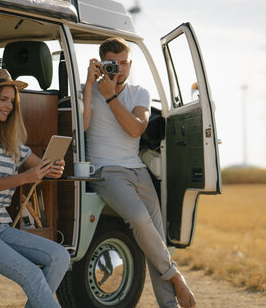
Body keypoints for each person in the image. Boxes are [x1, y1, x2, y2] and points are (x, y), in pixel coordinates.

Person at [82, 38, 197, 308]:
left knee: (155, 237)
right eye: (112, 64)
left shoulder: (139, 92)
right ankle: (176, 277)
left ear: (130, 63)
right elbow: (83, 125)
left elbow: (135, 129)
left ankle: (169, 305)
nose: (119, 69)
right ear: (101, 63)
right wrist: (90, 85)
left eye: (123, 63)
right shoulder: (87, 89)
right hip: (105, 170)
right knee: (139, 220)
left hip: (137, 170)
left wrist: (111, 96)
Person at [0, 68, 70, 308]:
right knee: (31, 273)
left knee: (60, 256)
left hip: (1, 226)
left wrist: (53, 168)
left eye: (12, 101)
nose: (9, 106)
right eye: (3, 99)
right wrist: (25, 177)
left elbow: (40, 167)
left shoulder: (12, 141)